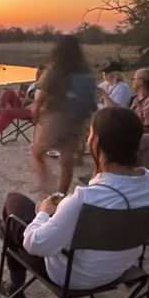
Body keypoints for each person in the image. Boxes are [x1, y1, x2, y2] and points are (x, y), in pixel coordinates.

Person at [0, 107, 149, 298]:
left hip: (73, 276)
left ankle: (16, 291)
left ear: (97, 143)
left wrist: (43, 211)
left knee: (14, 205)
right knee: (25, 224)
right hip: (121, 268)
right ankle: (8, 235)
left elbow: (36, 245)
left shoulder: (85, 199)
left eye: (91, 133)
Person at [31, 36, 96, 194]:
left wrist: (36, 109)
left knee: (36, 152)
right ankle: (60, 195)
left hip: (58, 116)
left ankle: (48, 185)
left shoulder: (56, 68)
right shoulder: (85, 71)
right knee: (66, 161)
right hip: (78, 120)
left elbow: (41, 91)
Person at [0, 66, 44, 142]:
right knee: (9, 92)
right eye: (37, 73)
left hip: (33, 112)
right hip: (24, 108)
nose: (37, 75)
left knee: (7, 111)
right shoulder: (33, 85)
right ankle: (3, 107)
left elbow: (42, 103)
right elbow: (26, 101)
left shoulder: (46, 89)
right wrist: (21, 95)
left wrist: (28, 99)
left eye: (40, 74)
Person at [103, 68, 149, 134]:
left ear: (140, 81)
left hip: (146, 137)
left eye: (134, 79)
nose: (132, 81)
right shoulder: (137, 98)